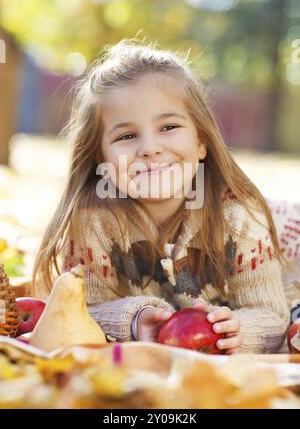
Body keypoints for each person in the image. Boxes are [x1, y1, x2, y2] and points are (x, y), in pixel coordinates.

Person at [32, 40, 291, 354]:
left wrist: (239, 330)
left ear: (201, 142)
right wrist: (133, 318)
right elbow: (80, 309)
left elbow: (272, 314)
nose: (150, 148)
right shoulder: (94, 222)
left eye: (168, 127)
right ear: (101, 160)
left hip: (289, 245)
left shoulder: (239, 217)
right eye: (127, 136)